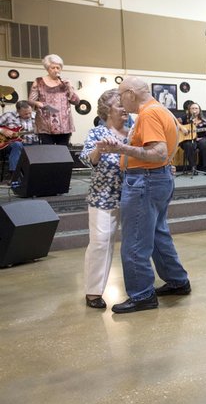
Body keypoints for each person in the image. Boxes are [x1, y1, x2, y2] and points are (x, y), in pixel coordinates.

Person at [95, 76, 191, 313]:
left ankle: (141, 294)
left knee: (136, 240)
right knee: (157, 234)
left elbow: (157, 152)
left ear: (130, 93)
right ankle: (177, 280)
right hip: (156, 180)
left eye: (120, 95)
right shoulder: (161, 110)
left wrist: (121, 148)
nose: (119, 100)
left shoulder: (148, 114)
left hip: (145, 181)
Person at [79, 89, 128, 309]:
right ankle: (93, 292)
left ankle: (138, 290)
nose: (125, 108)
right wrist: (98, 151)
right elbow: (86, 159)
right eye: (119, 105)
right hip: (103, 196)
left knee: (135, 244)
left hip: (132, 194)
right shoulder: (97, 132)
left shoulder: (135, 130)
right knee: (100, 243)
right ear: (108, 110)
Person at [28, 54, 80, 145]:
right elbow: (30, 100)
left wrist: (70, 88)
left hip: (64, 125)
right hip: (45, 124)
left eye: (58, 67)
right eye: (53, 68)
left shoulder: (65, 83)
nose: (56, 70)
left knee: (63, 153)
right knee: (48, 153)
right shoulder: (39, 81)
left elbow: (76, 101)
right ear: (47, 68)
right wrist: (38, 103)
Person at [0, 100, 38, 178]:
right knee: (17, 144)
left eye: (30, 113)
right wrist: (3, 130)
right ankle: (15, 175)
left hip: (32, 143)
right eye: (25, 113)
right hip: (11, 143)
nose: (28, 115)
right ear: (18, 111)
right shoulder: (8, 115)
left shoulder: (36, 116)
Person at [179, 103, 206, 175]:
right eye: (192, 108)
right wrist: (182, 128)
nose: (194, 110)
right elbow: (175, 122)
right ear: (189, 110)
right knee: (189, 145)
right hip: (188, 139)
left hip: (202, 139)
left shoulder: (205, 121)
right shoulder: (184, 118)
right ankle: (193, 167)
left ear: (199, 110)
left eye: (196, 108)